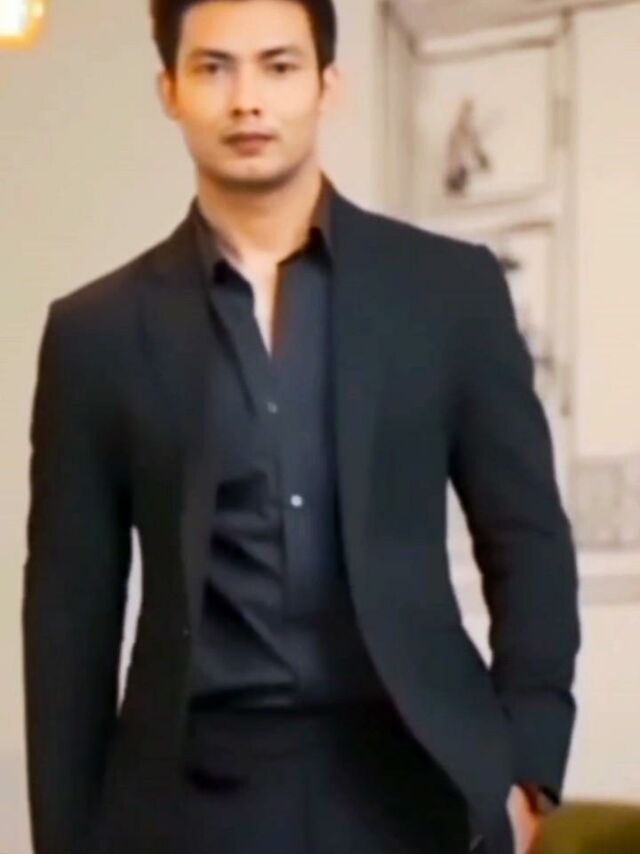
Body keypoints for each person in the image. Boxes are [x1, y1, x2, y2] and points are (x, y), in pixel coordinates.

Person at [21, 1, 581, 853]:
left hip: (417, 784)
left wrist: (529, 771)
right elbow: (70, 610)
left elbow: (528, 536)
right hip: (187, 802)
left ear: (328, 85)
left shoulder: (447, 291)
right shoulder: (96, 333)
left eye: (279, 66)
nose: (247, 98)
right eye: (214, 68)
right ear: (169, 90)